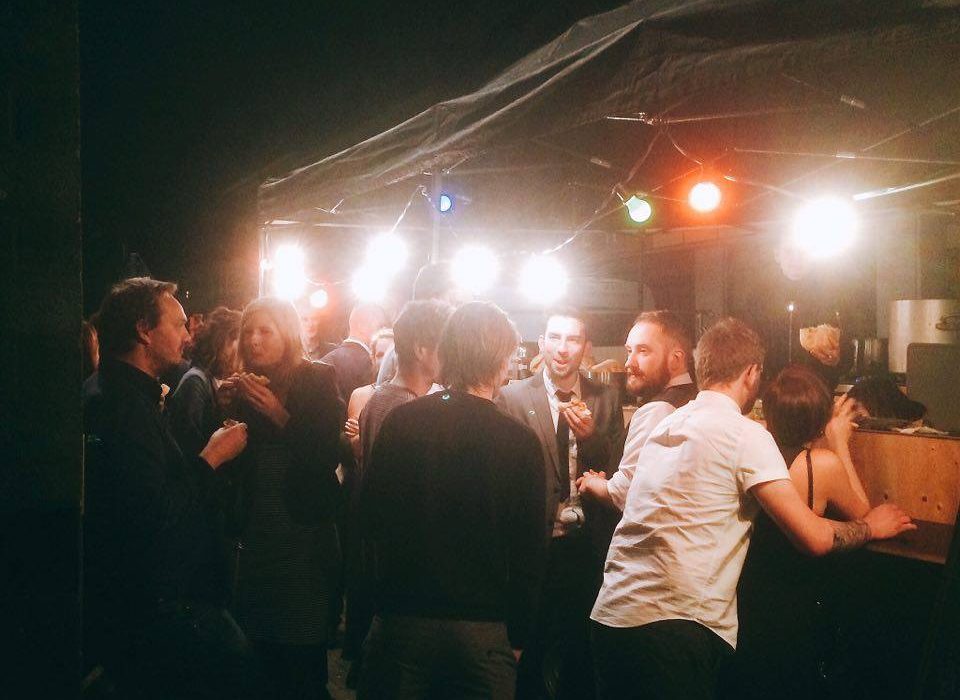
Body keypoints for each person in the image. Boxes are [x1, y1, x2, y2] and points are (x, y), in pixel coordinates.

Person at [590, 317, 915, 700]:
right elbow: (812, 537)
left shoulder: (667, 424)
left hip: (611, 616)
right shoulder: (745, 434)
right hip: (673, 627)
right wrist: (871, 527)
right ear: (752, 373)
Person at [82, 277, 262, 700]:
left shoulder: (119, 393)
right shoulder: (122, 406)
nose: (188, 335)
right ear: (144, 330)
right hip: (159, 609)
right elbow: (156, 513)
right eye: (179, 324)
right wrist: (212, 457)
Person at [359, 301, 547, 700]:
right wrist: (518, 636)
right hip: (483, 631)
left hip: (402, 619)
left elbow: (371, 520)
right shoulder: (520, 441)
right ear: (501, 362)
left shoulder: (402, 422)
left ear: (446, 352)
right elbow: (528, 551)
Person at [496, 308, 625, 700]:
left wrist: (591, 439)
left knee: (579, 645)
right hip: (534, 540)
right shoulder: (513, 396)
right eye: (554, 338)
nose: (562, 349)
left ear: (586, 347)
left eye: (573, 340)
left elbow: (617, 468)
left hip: (585, 542)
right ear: (541, 343)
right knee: (529, 643)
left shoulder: (605, 397)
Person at [728, 365, 870, 699]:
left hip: (747, 596)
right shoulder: (818, 463)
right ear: (820, 418)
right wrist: (840, 443)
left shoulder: (755, 453)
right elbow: (862, 512)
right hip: (797, 601)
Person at [228, 297, 344, 700]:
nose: (254, 340)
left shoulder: (317, 378)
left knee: (302, 662)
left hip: (303, 538)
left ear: (287, 334)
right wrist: (222, 410)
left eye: (265, 330)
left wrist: (277, 413)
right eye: (248, 331)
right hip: (258, 537)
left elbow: (325, 455)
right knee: (258, 657)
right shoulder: (243, 386)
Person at [341, 299, 453, 684]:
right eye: (444, 344)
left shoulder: (384, 398)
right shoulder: (403, 407)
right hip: (406, 565)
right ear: (422, 349)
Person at [578, 310, 697, 512]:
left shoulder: (657, 410)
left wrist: (593, 482)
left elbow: (624, 493)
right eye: (629, 351)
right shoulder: (696, 398)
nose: (629, 363)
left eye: (643, 351)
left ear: (676, 359)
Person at [375, 261, 472, 385]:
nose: (458, 312)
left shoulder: (414, 351)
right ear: (432, 301)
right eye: (455, 302)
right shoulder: (404, 357)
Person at [168, 306, 242, 461]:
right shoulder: (196, 381)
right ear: (222, 341)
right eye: (240, 342)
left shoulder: (212, 381)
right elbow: (189, 449)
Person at [321, 302, 387, 403]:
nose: (384, 332)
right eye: (380, 326)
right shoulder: (373, 364)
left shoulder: (324, 362)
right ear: (362, 326)